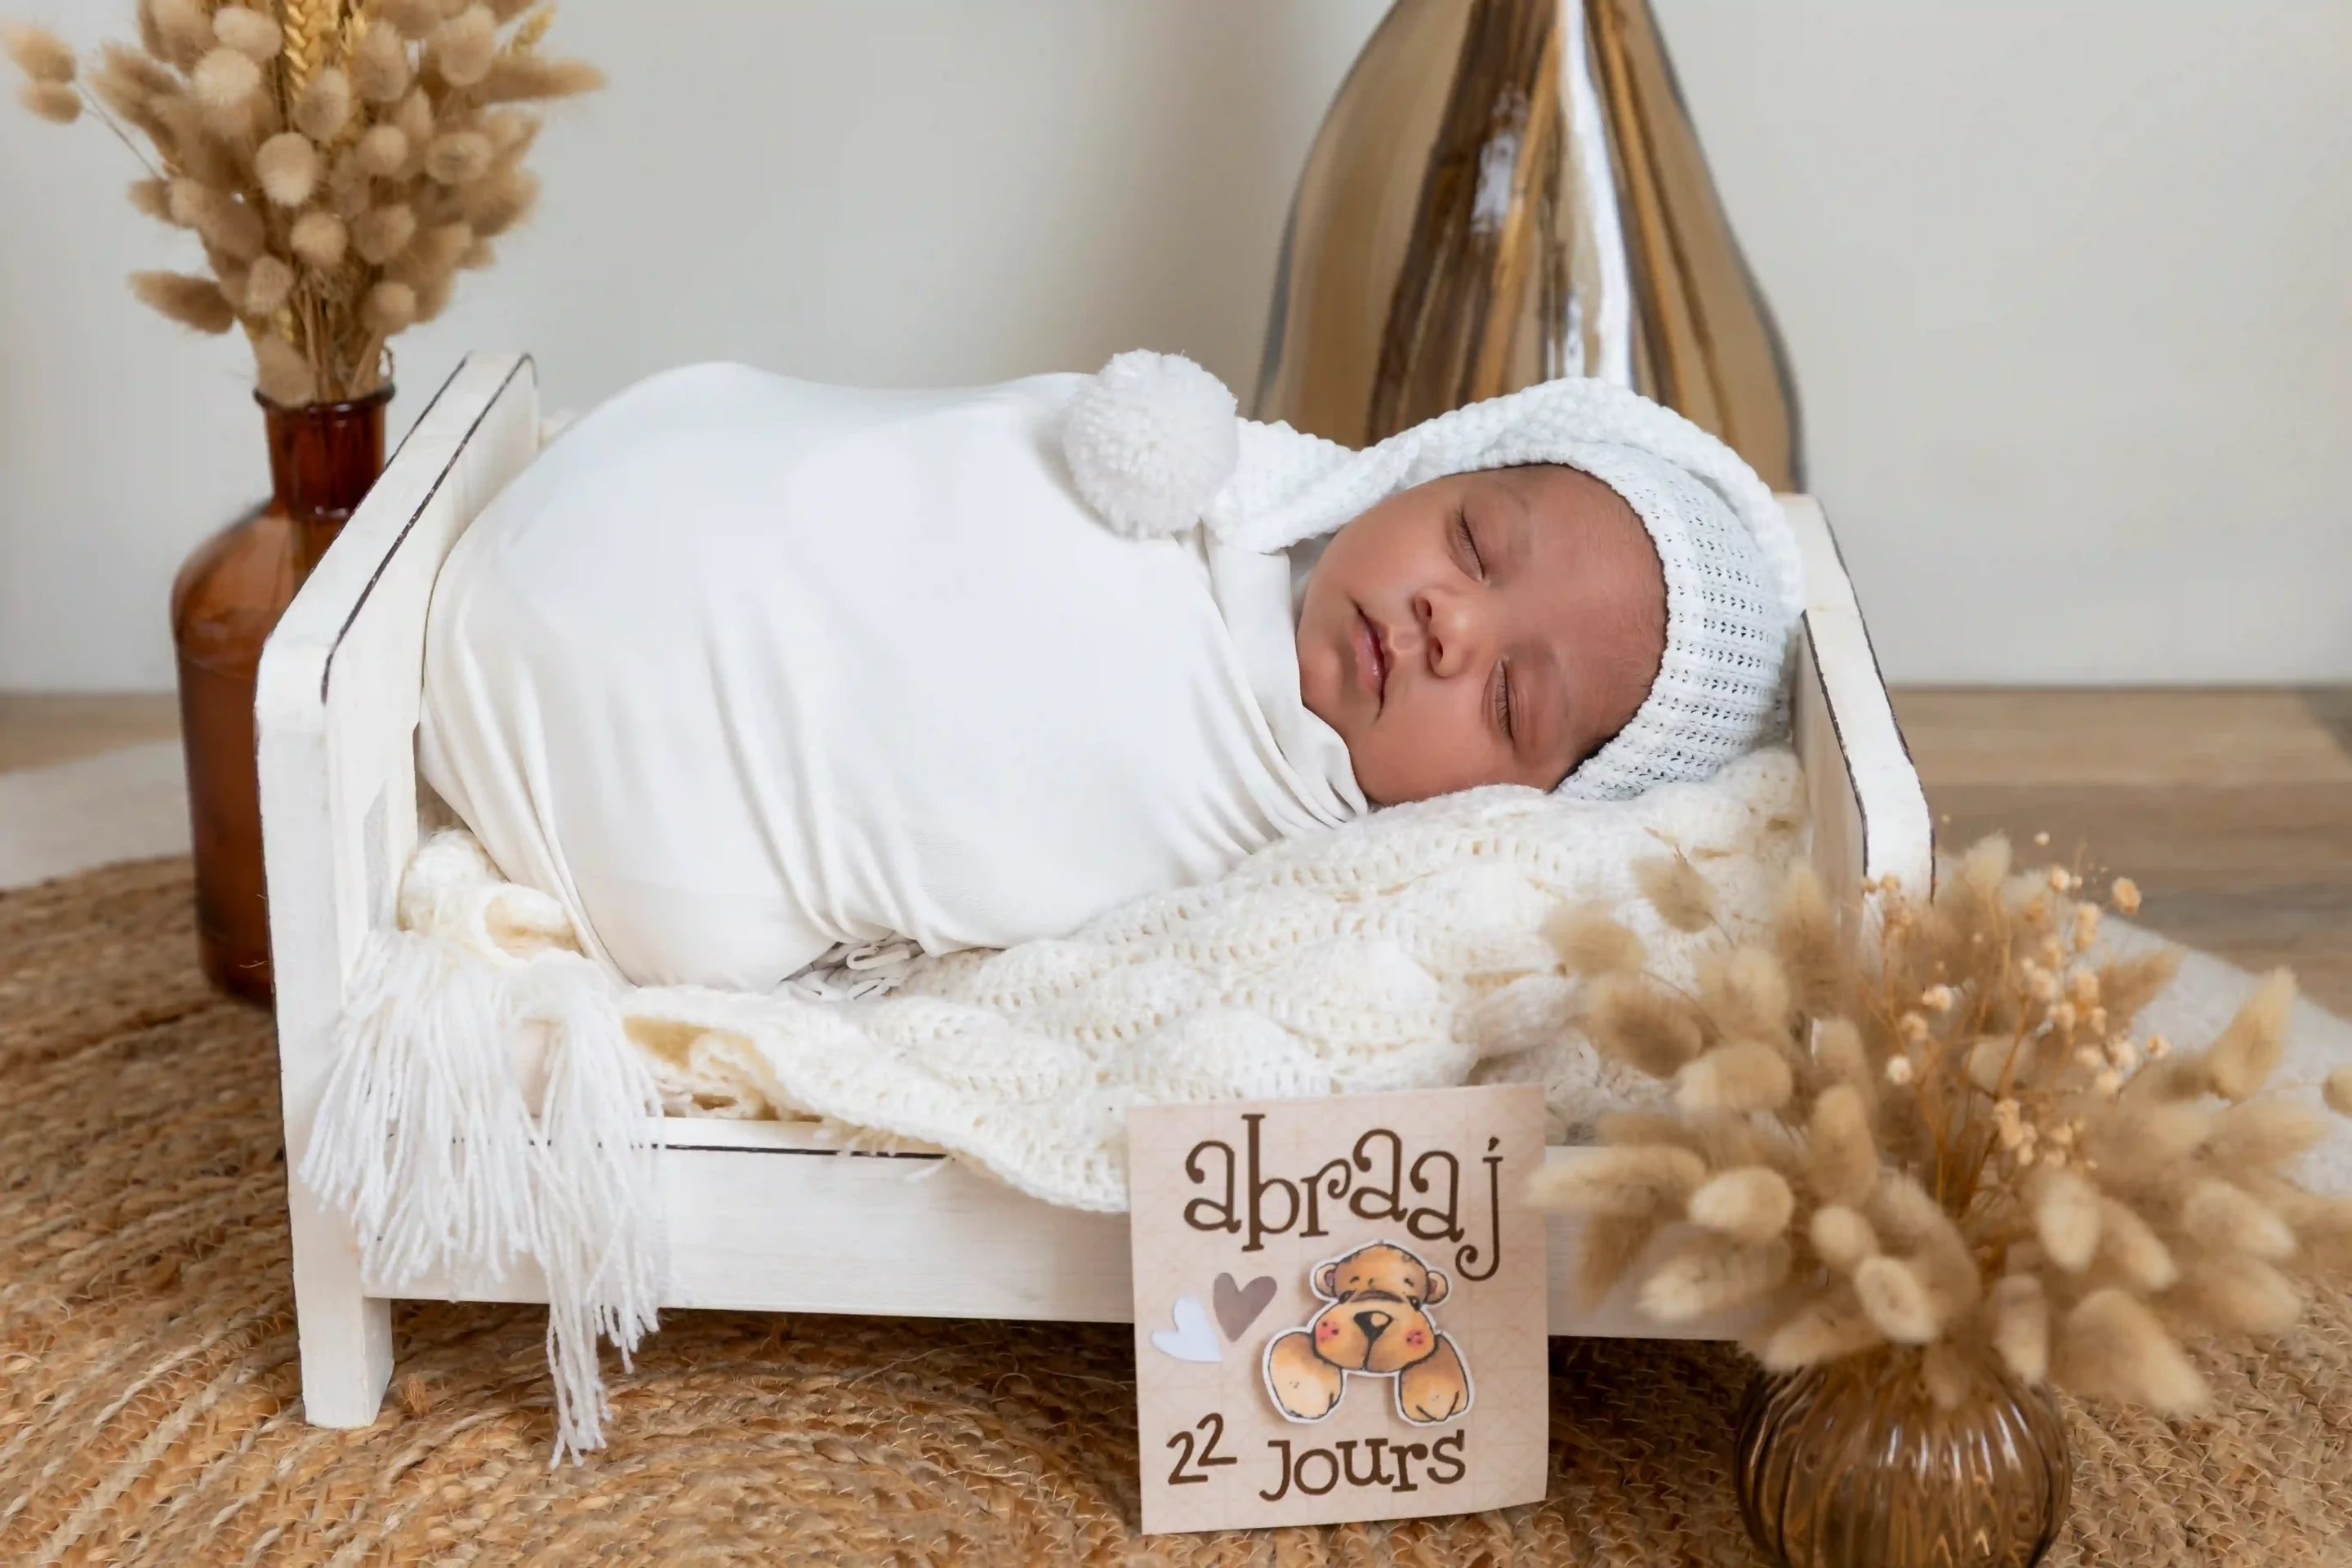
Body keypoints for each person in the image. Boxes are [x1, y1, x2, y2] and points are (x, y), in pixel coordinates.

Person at [418, 350, 1801, 991]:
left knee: (714, 905)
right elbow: (956, 461)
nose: (1451, 626)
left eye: (1509, 700)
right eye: (1474, 541)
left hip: (664, 805)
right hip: (641, 515)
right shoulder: (1207, 489)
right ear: (1427, 470)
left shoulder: (1299, 860)